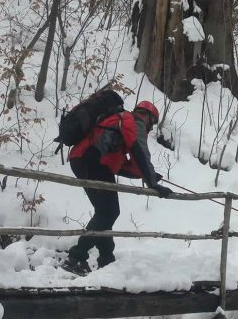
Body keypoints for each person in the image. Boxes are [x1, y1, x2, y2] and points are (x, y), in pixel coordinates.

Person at [63, 100, 172, 275]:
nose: (150, 127)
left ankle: (106, 259)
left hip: (86, 161)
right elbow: (140, 152)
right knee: (108, 213)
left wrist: (148, 175)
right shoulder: (133, 122)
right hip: (93, 163)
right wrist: (153, 183)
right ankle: (76, 257)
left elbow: (126, 165)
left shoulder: (118, 122)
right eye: (151, 123)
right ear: (147, 116)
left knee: (105, 213)